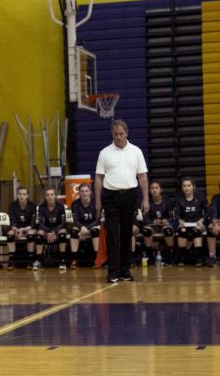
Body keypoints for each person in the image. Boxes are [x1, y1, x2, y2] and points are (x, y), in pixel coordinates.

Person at [94, 119, 149, 283]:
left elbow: (142, 176)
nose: (118, 137)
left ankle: (125, 270)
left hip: (129, 196)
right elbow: (98, 178)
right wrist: (98, 201)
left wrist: (145, 198)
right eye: (115, 134)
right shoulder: (105, 153)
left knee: (127, 233)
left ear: (126, 133)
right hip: (110, 196)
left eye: (121, 134)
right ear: (112, 134)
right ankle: (112, 271)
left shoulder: (136, 151)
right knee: (112, 234)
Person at [173, 177, 210, 267]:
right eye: (184, 186)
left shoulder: (201, 197)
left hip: (198, 223)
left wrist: (202, 220)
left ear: (193, 187)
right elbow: (177, 214)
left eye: (189, 185)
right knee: (182, 231)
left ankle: (199, 258)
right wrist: (180, 221)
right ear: (182, 188)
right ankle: (182, 257)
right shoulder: (178, 198)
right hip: (185, 223)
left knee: (196, 231)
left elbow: (208, 212)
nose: (186, 188)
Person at [33, 187, 69, 270]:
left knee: (63, 233)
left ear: (55, 196)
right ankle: (39, 261)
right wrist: (49, 231)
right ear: (45, 197)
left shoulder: (60, 206)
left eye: (52, 194)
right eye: (47, 195)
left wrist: (54, 232)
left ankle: (62, 260)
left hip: (58, 228)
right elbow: (40, 224)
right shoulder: (42, 207)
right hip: (46, 229)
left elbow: (63, 222)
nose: (50, 197)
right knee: (39, 234)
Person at [140, 180, 174, 265]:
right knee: (146, 231)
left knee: (168, 231)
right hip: (152, 226)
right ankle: (150, 257)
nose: (154, 190)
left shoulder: (167, 201)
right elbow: (145, 219)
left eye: (156, 188)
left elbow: (172, 216)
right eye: (152, 188)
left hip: (164, 225)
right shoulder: (146, 202)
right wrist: (153, 221)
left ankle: (170, 256)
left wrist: (166, 221)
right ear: (149, 190)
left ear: (161, 189)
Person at [69, 182, 99, 269]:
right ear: (79, 193)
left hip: (93, 225)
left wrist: (87, 229)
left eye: (86, 191)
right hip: (81, 226)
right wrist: (82, 228)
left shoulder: (95, 202)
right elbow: (76, 220)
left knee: (95, 231)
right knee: (74, 231)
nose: (84, 193)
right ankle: (74, 260)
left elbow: (97, 220)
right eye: (82, 191)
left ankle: (97, 260)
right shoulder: (75, 204)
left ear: (90, 192)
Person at [6, 186, 37, 269]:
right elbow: (12, 222)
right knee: (10, 234)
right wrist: (16, 230)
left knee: (31, 234)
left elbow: (33, 224)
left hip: (28, 228)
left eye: (24, 194)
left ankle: (30, 260)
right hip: (17, 229)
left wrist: (22, 230)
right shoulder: (12, 205)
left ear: (27, 196)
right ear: (17, 195)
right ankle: (12, 260)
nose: (21, 196)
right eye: (19, 194)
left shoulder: (32, 205)